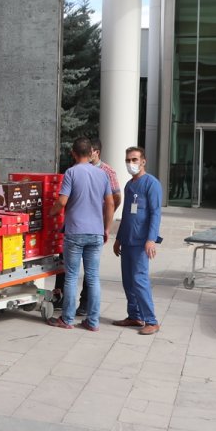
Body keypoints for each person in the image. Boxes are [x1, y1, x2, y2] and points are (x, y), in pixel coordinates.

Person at [46, 137, 115, 330]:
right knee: (93, 277)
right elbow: (110, 203)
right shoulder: (102, 174)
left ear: (74, 154)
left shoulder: (71, 172)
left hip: (75, 232)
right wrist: (106, 229)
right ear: (91, 152)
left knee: (71, 276)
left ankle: (67, 319)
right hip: (96, 232)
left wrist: (50, 213)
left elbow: (62, 202)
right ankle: (93, 321)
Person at [112, 147, 163, 336]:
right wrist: (118, 238)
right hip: (127, 240)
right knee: (128, 281)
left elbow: (156, 213)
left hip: (142, 242)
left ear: (143, 161)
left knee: (139, 280)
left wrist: (151, 239)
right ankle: (134, 315)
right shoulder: (129, 185)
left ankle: (151, 320)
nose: (130, 163)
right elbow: (126, 214)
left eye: (134, 159)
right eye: (128, 160)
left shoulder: (152, 184)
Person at [76, 137, 122, 316]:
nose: (89, 154)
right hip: (78, 223)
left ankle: (85, 304)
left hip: (95, 225)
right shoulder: (77, 170)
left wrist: (106, 220)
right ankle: (62, 298)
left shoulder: (106, 171)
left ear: (97, 152)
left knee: (90, 269)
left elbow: (116, 198)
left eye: (92, 151)